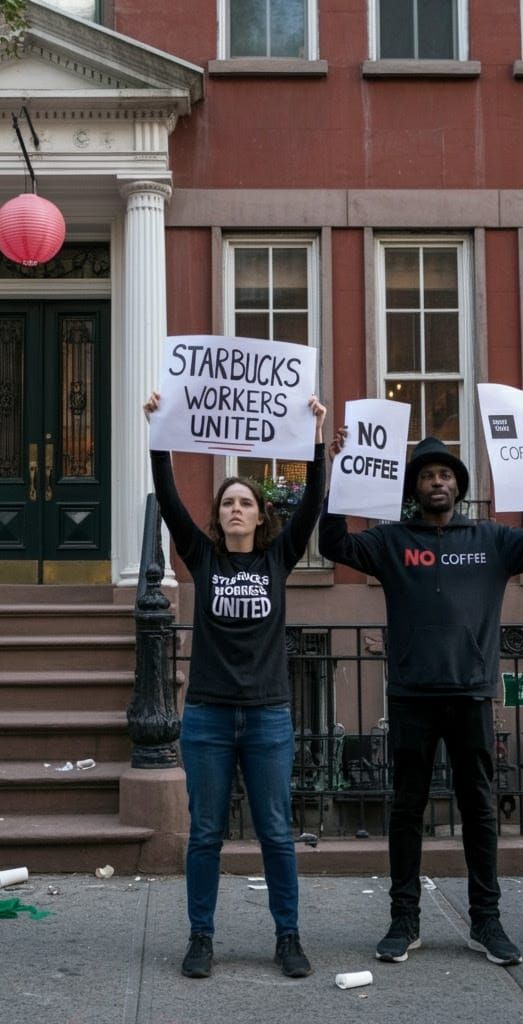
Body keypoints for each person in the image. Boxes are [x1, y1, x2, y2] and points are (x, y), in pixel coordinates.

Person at [319, 428, 523, 967]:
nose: (437, 482)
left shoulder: (492, 539)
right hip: (412, 693)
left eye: (445, 475)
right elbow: (334, 545)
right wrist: (336, 472)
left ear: (457, 487)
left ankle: (486, 921)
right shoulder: (392, 541)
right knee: (407, 809)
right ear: (414, 488)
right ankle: (403, 919)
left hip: (472, 696)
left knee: (480, 808)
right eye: (427, 475)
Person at [143, 390, 327, 980]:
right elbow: (170, 503)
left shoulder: (278, 559)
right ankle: (201, 937)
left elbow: (314, 506)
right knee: (205, 833)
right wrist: (160, 432)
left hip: (269, 716)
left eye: (246, 502)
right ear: (219, 516)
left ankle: (288, 936)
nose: (236, 510)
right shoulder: (202, 557)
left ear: (260, 514)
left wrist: (318, 438)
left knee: (276, 831)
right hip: (208, 718)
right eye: (228, 503)